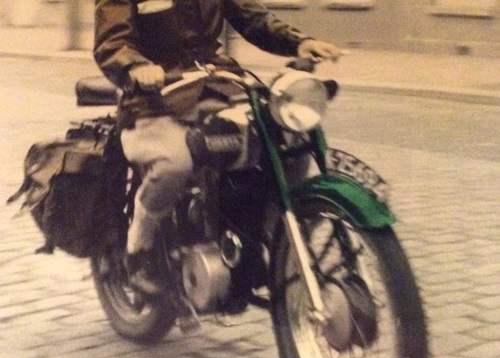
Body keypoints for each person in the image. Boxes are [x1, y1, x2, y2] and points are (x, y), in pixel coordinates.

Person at [93, 0, 345, 296]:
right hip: (153, 98)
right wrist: (135, 66)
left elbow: (252, 16)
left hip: (217, 84)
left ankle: (271, 236)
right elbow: (112, 43)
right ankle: (139, 248)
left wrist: (299, 42)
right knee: (174, 163)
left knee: (287, 138)